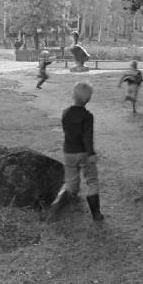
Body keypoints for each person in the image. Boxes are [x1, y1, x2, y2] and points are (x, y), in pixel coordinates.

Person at [48, 81, 104, 222]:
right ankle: (96, 214)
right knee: (92, 181)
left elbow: (68, 132)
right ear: (88, 99)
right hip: (84, 153)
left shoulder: (65, 113)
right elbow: (87, 136)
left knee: (71, 183)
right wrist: (91, 153)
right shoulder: (88, 116)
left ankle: (56, 205)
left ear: (73, 96)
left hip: (69, 152)